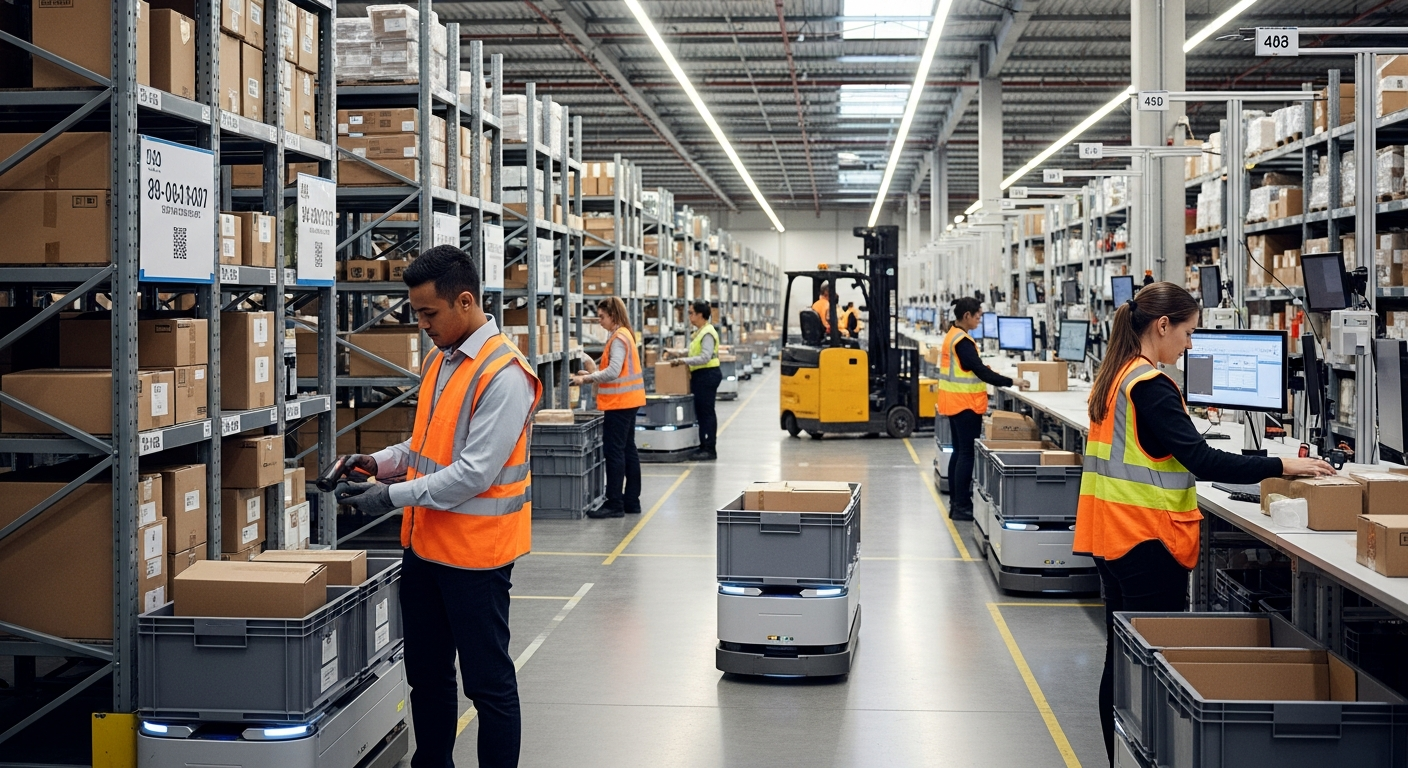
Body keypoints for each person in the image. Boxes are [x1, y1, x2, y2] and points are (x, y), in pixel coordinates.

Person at [1073, 281, 1334, 764]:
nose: (1191, 345)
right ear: (1162, 325)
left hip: (1113, 537)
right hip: (1148, 542)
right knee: (1153, 664)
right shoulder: (1150, 386)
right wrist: (1282, 466)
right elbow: (1203, 460)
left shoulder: (1116, 375)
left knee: (1122, 658)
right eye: (1189, 333)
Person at [334, 245, 541, 768]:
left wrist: (389, 496)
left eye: (429, 313)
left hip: (476, 559)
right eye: (417, 313)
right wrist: (377, 463)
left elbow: (473, 473)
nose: (422, 324)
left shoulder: (504, 374)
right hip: (424, 548)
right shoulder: (440, 359)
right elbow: (424, 444)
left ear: (465, 302)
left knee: (487, 684)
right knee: (426, 675)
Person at [936, 297, 1029, 521]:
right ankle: (961, 506)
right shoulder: (962, 342)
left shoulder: (954, 335)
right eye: (977, 316)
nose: (979, 320)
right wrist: (1013, 381)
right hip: (965, 404)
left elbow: (972, 368)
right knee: (966, 454)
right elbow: (981, 372)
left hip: (955, 403)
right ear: (966, 315)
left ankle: (957, 503)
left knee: (959, 452)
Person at [571, 297, 644, 517]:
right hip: (629, 401)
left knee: (614, 452)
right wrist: (592, 373)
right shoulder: (624, 334)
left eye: (602, 317)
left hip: (619, 404)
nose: (600, 321)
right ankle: (631, 501)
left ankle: (615, 504)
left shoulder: (619, 338)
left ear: (613, 315)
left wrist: (587, 379)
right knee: (628, 450)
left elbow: (613, 371)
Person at [669, 300, 721, 461]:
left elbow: (705, 357)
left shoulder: (707, 333)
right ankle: (704, 445)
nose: (689, 316)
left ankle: (709, 449)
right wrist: (679, 353)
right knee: (702, 412)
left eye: (691, 313)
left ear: (700, 315)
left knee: (706, 413)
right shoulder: (700, 332)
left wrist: (683, 361)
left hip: (707, 375)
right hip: (701, 375)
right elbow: (695, 353)